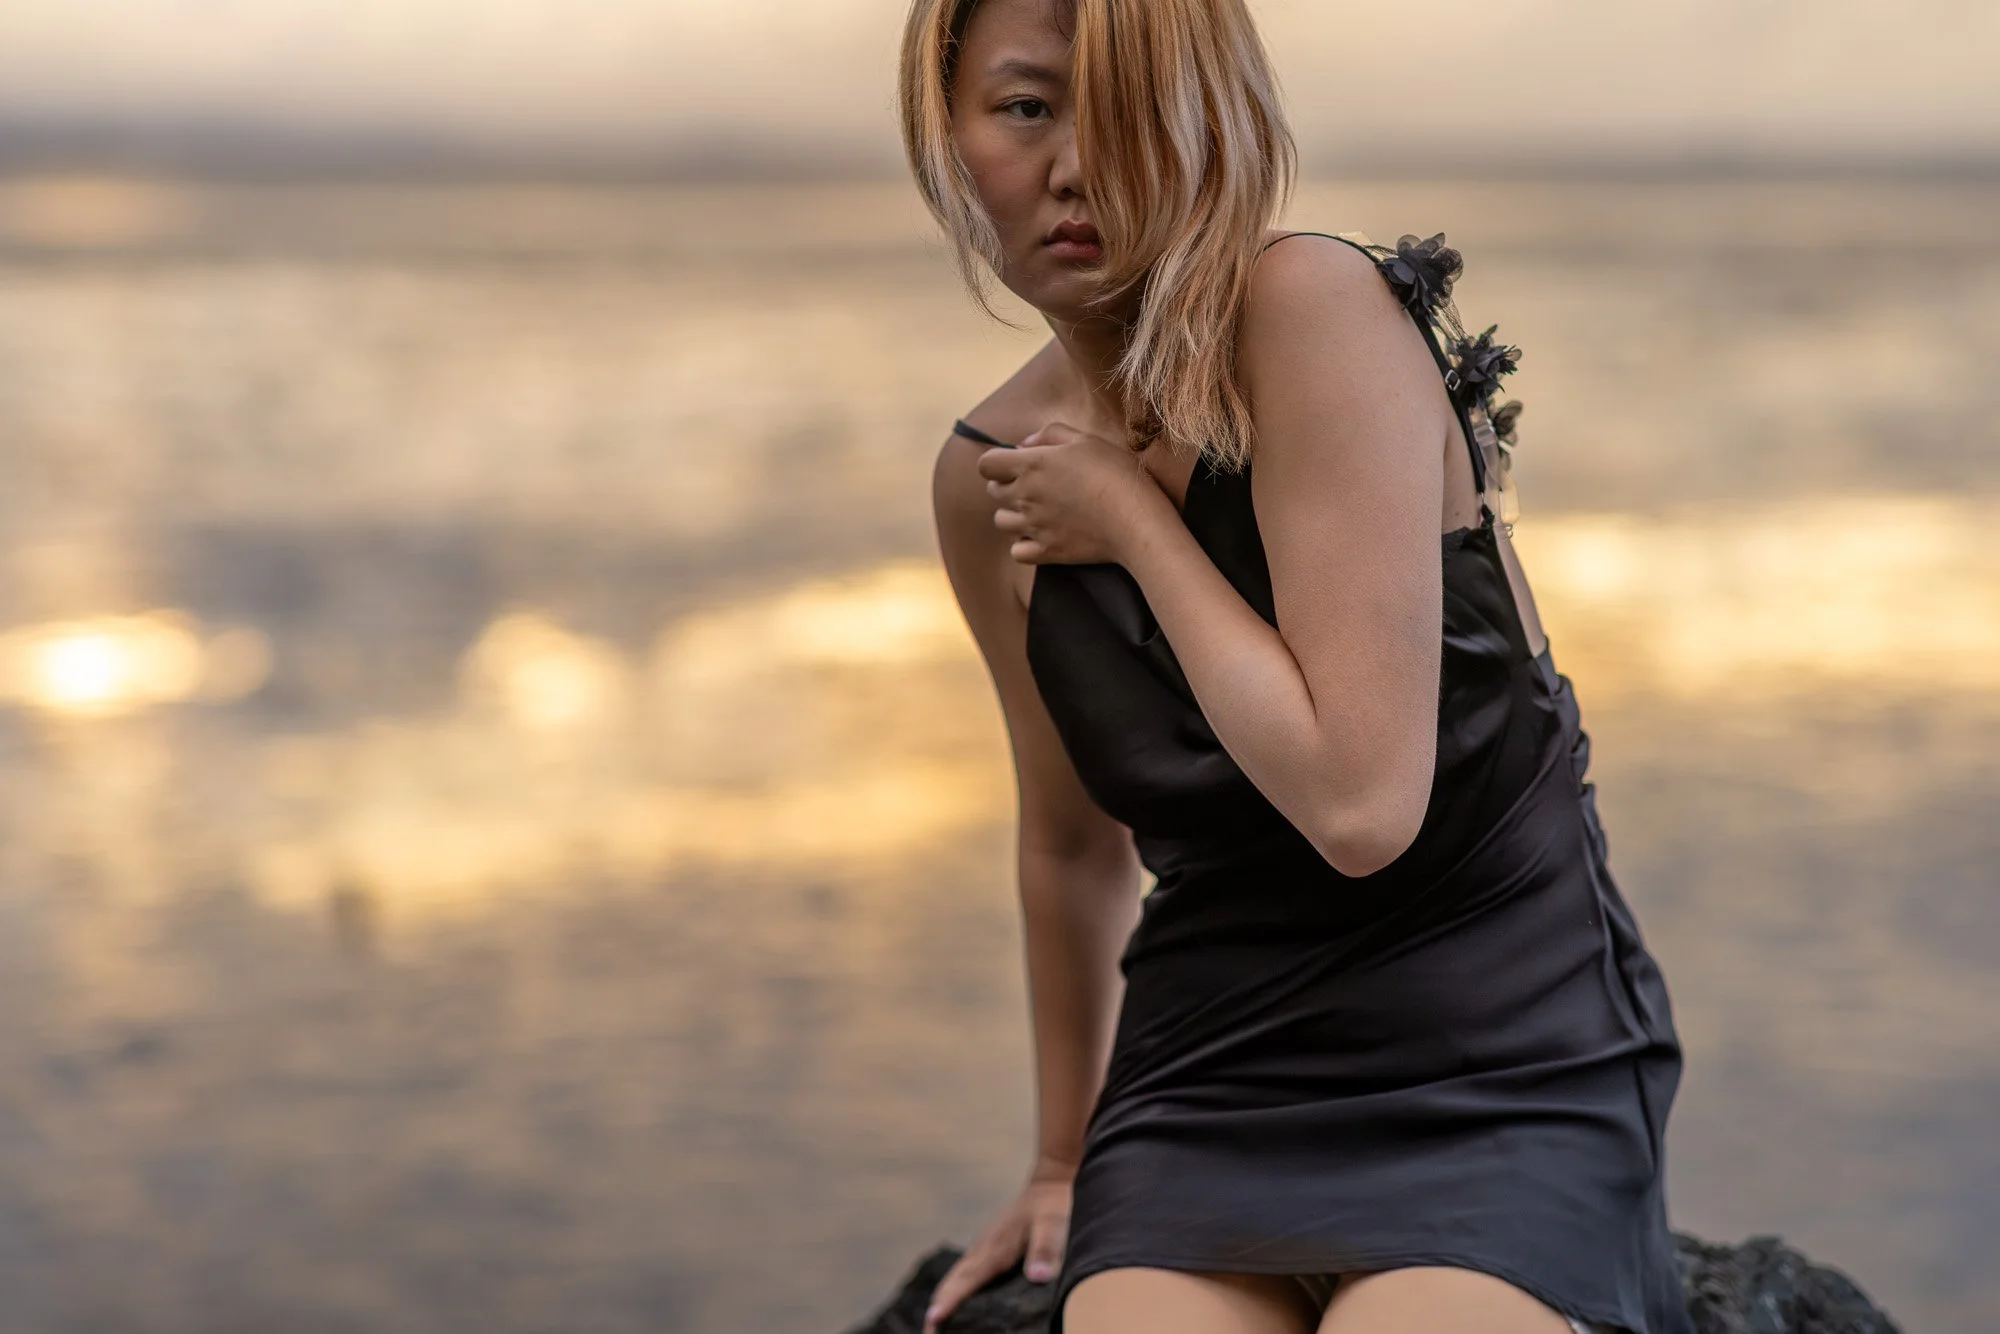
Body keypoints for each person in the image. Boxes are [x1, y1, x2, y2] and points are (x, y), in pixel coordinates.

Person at [899, 2, 1694, 1332]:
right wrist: (1059, 1158)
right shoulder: (988, 476)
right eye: (1025, 109)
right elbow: (1071, 844)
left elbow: (1361, 804)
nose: (1075, 167)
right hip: (1210, 1073)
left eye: (1127, 107)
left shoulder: (1312, 308)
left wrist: (1135, 525)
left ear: (1210, 118)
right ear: (951, 132)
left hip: (1497, 1040)